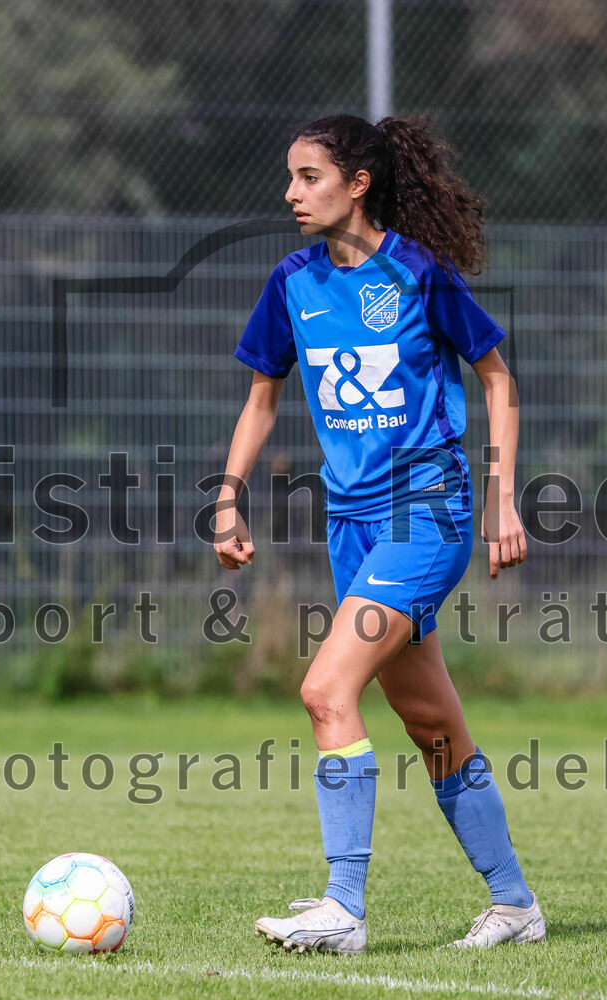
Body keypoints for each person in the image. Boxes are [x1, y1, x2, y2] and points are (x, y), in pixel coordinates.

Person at [212, 113, 544, 954]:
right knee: (431, 723)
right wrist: (227, 498)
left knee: (326, 691)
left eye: (309, 176)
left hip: (426, 515)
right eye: (289, 177)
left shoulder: (417, 274)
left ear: (357, 184)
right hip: (352, 528)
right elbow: (261, 401)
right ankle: (514, 905)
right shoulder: (291, 282)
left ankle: (342, 909)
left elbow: (497, 381)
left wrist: (502, 500)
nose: (290, 193)